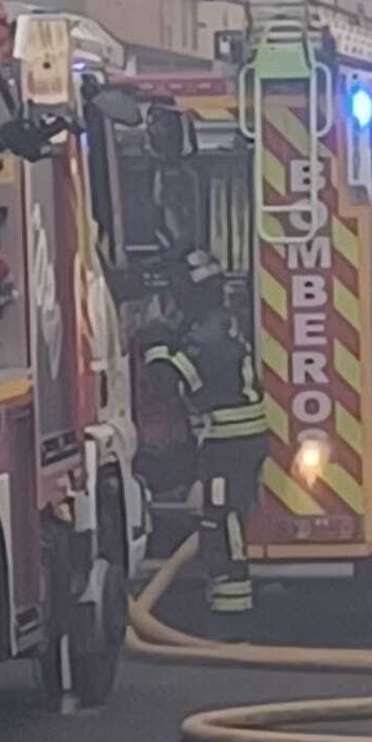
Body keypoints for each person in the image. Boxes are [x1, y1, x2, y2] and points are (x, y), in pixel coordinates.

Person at [148, 253, 268, 626]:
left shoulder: (204, 336)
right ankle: (228, 609)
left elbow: (165, 383)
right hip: (235, 441)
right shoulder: (220, 323)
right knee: (221, 520)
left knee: (221, 524)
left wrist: (155, 341)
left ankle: (231, 618)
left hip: (228, 443)